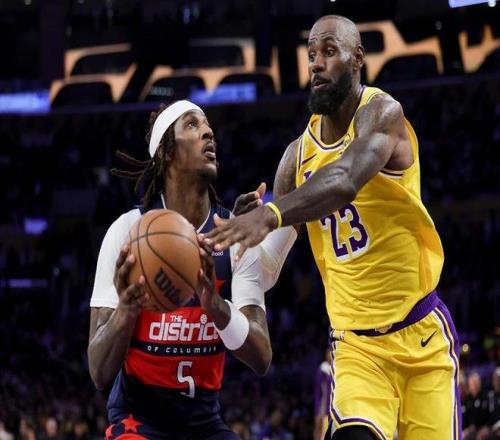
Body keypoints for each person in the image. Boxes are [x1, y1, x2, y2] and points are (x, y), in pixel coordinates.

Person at [205, 15, 460, 440]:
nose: (316, 64)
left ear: (357, 58)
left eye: (328, 51)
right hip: (357, 351)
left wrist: (271, 214)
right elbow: (267, 269)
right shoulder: (295, 158)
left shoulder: (383, 113)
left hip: (421, 339)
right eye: (311, 55)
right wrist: (240, 243)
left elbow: (343, 180)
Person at [88, 100, 296, 439]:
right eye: (192, 124)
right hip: (139, 422)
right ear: (166, 151)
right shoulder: (127, 232)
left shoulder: (233, 234)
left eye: (208, 125)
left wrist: (216, 307)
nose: (208, 132)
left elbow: (261, 357)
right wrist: (126, 310)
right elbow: (99, 371)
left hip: (204, 425)